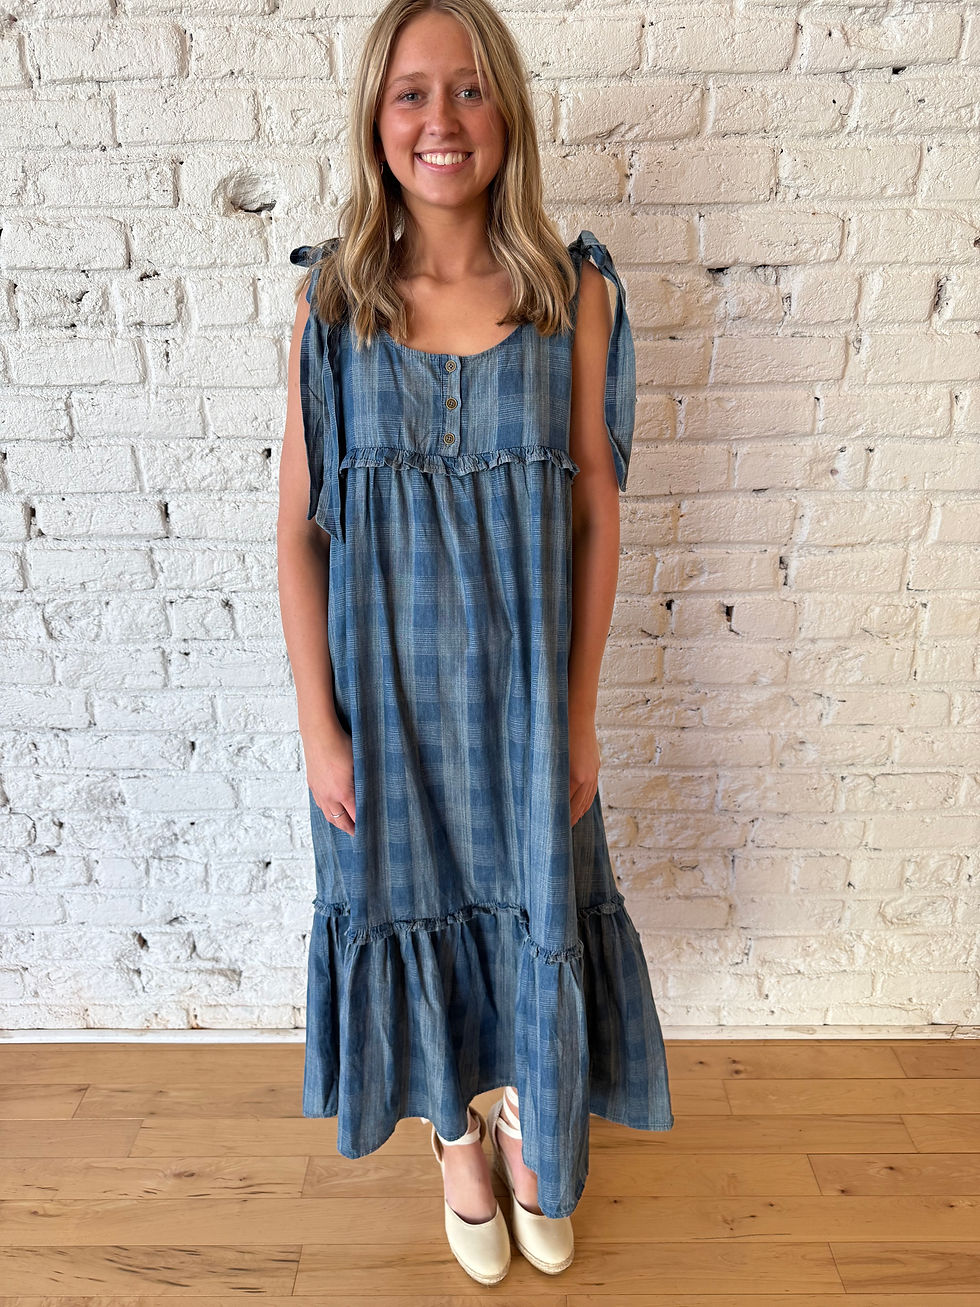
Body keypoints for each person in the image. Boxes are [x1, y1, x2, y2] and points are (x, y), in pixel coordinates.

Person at [277, 0, 674, 1284]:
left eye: (465, 88)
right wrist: (318, 725)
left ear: (505, 111)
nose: (438, 119)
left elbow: (595, 515)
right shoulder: (332, 305)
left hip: (519, 707)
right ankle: (454, 1137)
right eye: (410, 92)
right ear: (375, 119)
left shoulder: (571, 295)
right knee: (405, 911)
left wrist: (578, 713)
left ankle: (524, 1121)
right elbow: (297, 533)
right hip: (383, 709)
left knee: (529, 912)